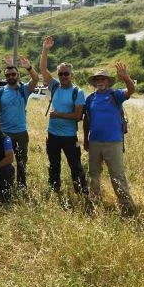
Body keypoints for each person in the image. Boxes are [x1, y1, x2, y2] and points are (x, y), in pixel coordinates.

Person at [83, 64, 136, 215]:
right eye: (97, 79)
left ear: (108, 82)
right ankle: (94, 202)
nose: (100, 81)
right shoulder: (90, 98)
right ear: (94, 83)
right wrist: (85, 139)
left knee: (117, 175)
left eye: (103, 79)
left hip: (113, 142)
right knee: (93, 174)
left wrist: (126, 77)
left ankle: (126, 206)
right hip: (94, 142)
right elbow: (87, 120)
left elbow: (131, 91)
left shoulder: (115, 95)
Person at [39, 35, 88, 195]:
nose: (63, 77)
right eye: (60, 74)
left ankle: (81, 193)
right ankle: (55, 190)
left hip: (69, 136)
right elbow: (43, 69)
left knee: (75, 165)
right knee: (54, 165)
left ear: (71, 75)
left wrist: (59, 115)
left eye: (66, 74)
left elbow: (77, 116)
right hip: (52, 135)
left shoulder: (77, 92)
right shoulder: (54, 86)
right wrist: (45, 50)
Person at [0, 55, 38, 189]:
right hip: (5, 134)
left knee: (22, 161)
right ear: (5, 77)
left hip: (21, 133)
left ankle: (22, 186)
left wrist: (28, 67)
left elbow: (35, 79)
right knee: (5, 161)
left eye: (13, 74)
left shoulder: (24, 90)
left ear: (18, 75)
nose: (11, 77)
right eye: (8, 75)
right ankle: (6, 185)